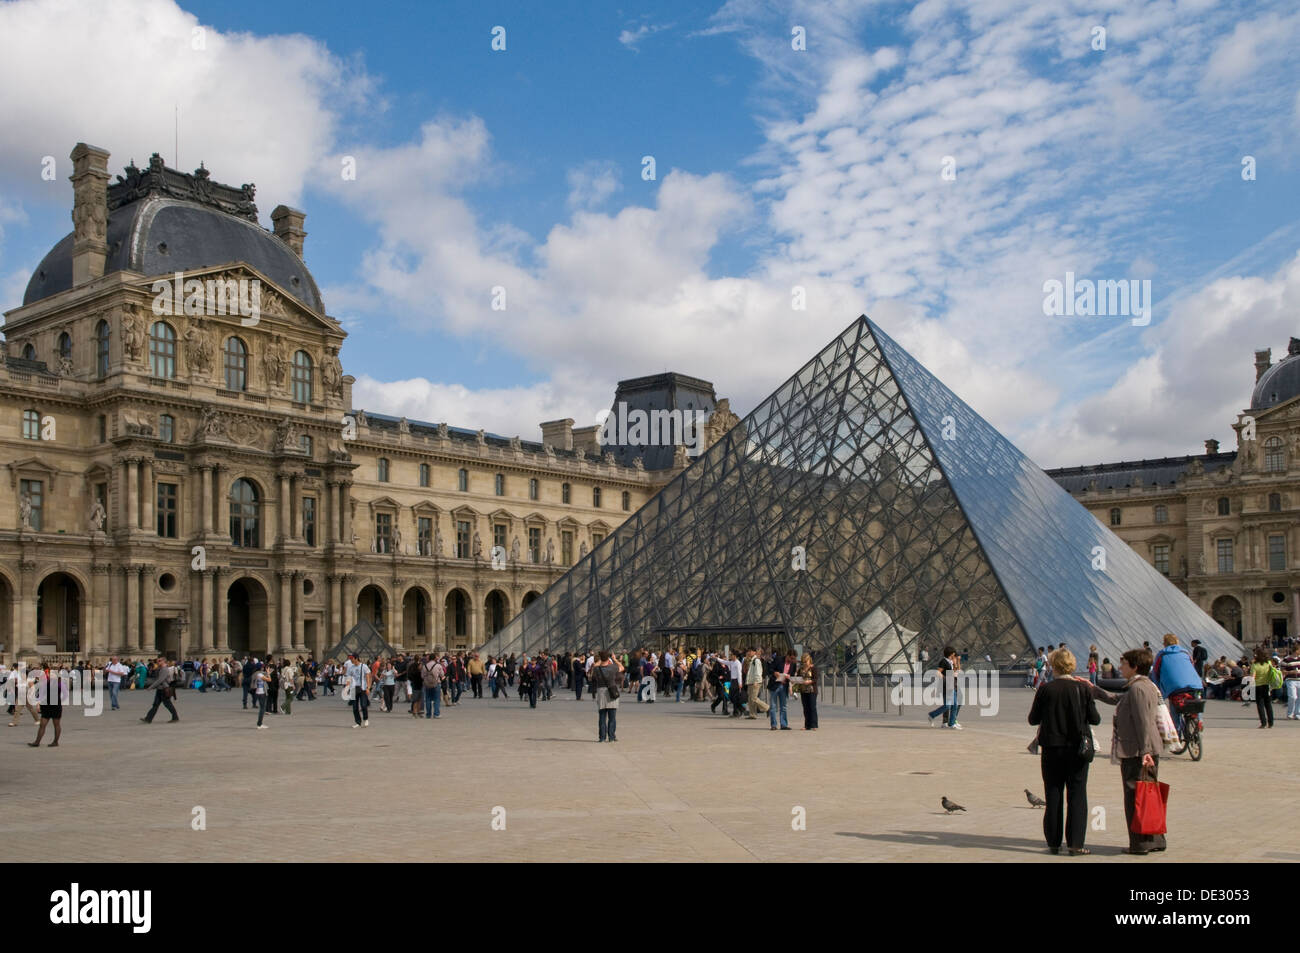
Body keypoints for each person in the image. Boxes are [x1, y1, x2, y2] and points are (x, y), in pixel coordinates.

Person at [1027, 648, 1099, 856]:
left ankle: (1053, 842)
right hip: (1077, 750)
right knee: (1077, 795)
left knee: (1053, 794)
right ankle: (1076, 844)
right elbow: (1095, 719)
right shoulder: (1082, 689)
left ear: (1053, 665)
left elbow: (1033, 719)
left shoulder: (1046, 689)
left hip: (1051, 749)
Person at [1112, 647, 1165, 855]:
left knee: (1135, 797)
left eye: (1123, 663)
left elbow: (1143, 721)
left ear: (1134, 667)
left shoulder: (1137, 689)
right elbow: (1119, 700)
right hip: (1146, 748)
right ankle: (1156, 839)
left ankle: (1140, 844)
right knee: (1150, 795)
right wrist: (1094, 690)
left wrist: (1144, 751)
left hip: (1137, 750)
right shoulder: (1144, 685)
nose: (1120, 667)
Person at [590, 650, 624, 742]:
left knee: (602, 717)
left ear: (600, 658)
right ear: (608, 658)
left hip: (601, 692)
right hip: (611, 691)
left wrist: (600, 661)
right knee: (612, 717)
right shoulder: (613, 667)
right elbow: (622, 667)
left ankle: (602, 737)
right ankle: (611, 737)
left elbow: (593, 667)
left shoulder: (597, 669)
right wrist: (614, 659)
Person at [140, 657, 179, 724]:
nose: (158, 662)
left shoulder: (164, 669)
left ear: (164, 661)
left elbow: (160, 680)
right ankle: (148, 718)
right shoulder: (161, 669)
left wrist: (151, 687)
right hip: (160, 689)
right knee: (155, 705)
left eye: (160, 661)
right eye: (158, 661)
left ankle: (175, 717)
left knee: (168, 704)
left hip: (164, 689)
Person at [927, 647, 959, 728]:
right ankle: (932, 715)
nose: (954, 655)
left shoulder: (951, 662)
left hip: (952, 684)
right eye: (953, 653)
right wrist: (946, 679)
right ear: (950, 654)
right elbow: (938, 672)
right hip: (946, 685)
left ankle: (952, 723)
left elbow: (955, 671)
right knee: (947, 706)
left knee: (955, 704)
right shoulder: (943, 661)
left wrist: (955, 664)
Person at [768, 649, 797, 730]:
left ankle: (783, 724)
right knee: (773, 706)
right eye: (791, 658)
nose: (792, 660)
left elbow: (792, 675)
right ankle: (773, 725)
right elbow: (770, 668)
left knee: (783, 706)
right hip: (775, 685)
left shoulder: (793, 664)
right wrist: (775, 673)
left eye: (793, 658)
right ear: (787, 655)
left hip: (784, 686)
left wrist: (789, 677)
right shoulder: (778, 659)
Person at [1250, 647, 1277, 728]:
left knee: (1260, 705)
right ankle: (1271, 722)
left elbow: (1253, 677)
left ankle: (1263, 723)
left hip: (1258, 686)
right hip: (1267, 685)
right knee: (1268, 704)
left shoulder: (1254, 665)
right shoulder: (1268, 663)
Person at [344, 654, 371, 727]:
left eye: (352, 658)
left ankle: (366, 719)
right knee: (355, 707)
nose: (351, 660)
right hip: (353, 689)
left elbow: (368, 677)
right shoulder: (351, 668)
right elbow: (349, 678)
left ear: (356, 658)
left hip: (362, 688)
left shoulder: (364, 666)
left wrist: (368, 688)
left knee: (363, 705)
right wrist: (347, 688)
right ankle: (358, 722)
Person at [745, 648, 770, 720]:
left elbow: (758, 672)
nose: (749, 653)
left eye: (750, 651)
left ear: (754, 652)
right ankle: (752, 714)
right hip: (750, 682)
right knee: (750, 699)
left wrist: (756, 681)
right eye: (748, 651)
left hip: (755, 682)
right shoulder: (751, 660)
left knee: (754, 698)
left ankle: (767, 708)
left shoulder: (756, 661)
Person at [797, 653, 818, 730]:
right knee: (805, 708)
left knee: (812, 707)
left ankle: (814, 725)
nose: (805, 663)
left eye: (806, 661)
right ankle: (807, 725)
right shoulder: (801, 669)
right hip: (803, 690)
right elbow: (798, 677)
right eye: (803, 661)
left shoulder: (813, 668)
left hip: (812, 690)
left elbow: (815, 679)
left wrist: (809, 682)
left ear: (810, 660)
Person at [421, 654, 444, 718]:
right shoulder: (438, 665)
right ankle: (436, 714)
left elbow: (422, 676)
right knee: (437, 699)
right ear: (434, 659)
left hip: (427, 684)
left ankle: (428, 714)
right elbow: (442, 674)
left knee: (428, 699)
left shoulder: (424, 666)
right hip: (436, 683)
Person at [251, 662, 270, 730]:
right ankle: (259, 724)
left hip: (258, 692)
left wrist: (267, 672)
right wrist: (268, 673)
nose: (263, 668)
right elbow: (269, 679)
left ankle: (260, 723)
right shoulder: (259, 674)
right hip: (261, 693)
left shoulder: (256, 674)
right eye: (262, 667)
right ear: (260, 667)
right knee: (262, 709)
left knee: (262, 708)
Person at [1283, 647, 1300, 720]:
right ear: (1295, 651)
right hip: (1290, 680)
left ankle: (1297, 713)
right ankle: (1290, 713)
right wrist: (1290, 672)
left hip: (1299, 679)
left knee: (1299, 697)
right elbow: (1282, 671)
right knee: (1292, 697)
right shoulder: (1287, 659)